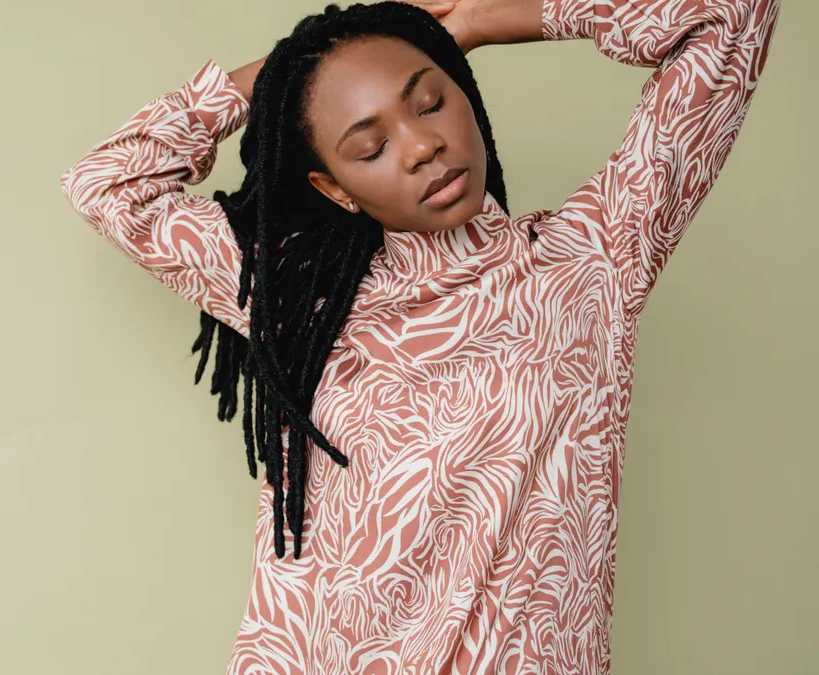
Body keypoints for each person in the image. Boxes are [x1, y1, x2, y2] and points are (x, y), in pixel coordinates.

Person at [58, 0, 780, 671]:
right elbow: (108, 183)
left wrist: (486, 19)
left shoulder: (591, 261)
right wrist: (290, 72)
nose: (422, 146)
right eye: (369, 147)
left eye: (431, 101)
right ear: (334, 188)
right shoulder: (294, 294)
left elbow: (733, 16)